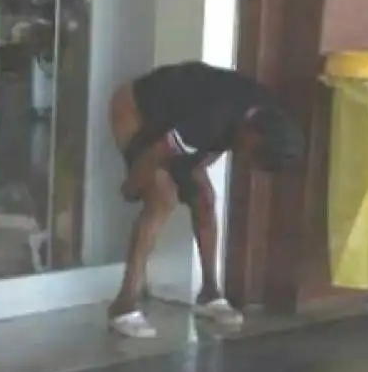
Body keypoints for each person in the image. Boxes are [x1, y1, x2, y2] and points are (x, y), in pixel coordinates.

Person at [108, 61, 303, 339]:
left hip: (175, 119)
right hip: (136, 108)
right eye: (252, 156)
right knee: (162, 198)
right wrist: (131, 186)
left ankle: (209, 293)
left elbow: (211, 147)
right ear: (252, 135)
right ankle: (123, 305)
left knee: (205, 200)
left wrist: (191, 171)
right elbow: (156, 153)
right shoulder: (214, 118)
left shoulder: (264, 115)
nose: (249, 163)